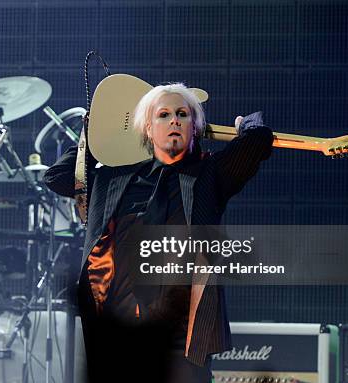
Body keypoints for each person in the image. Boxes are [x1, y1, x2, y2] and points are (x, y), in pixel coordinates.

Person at [43, 83, 273, 383]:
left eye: (183, 114)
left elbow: (256, 142)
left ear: (196, 128)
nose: (174, 121)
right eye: (163, 115)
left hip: (180, 337)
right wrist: (94, 134)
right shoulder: (111, 177)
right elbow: (57, 177)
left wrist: (246, 125)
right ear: (148, 129)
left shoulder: (209, 175)